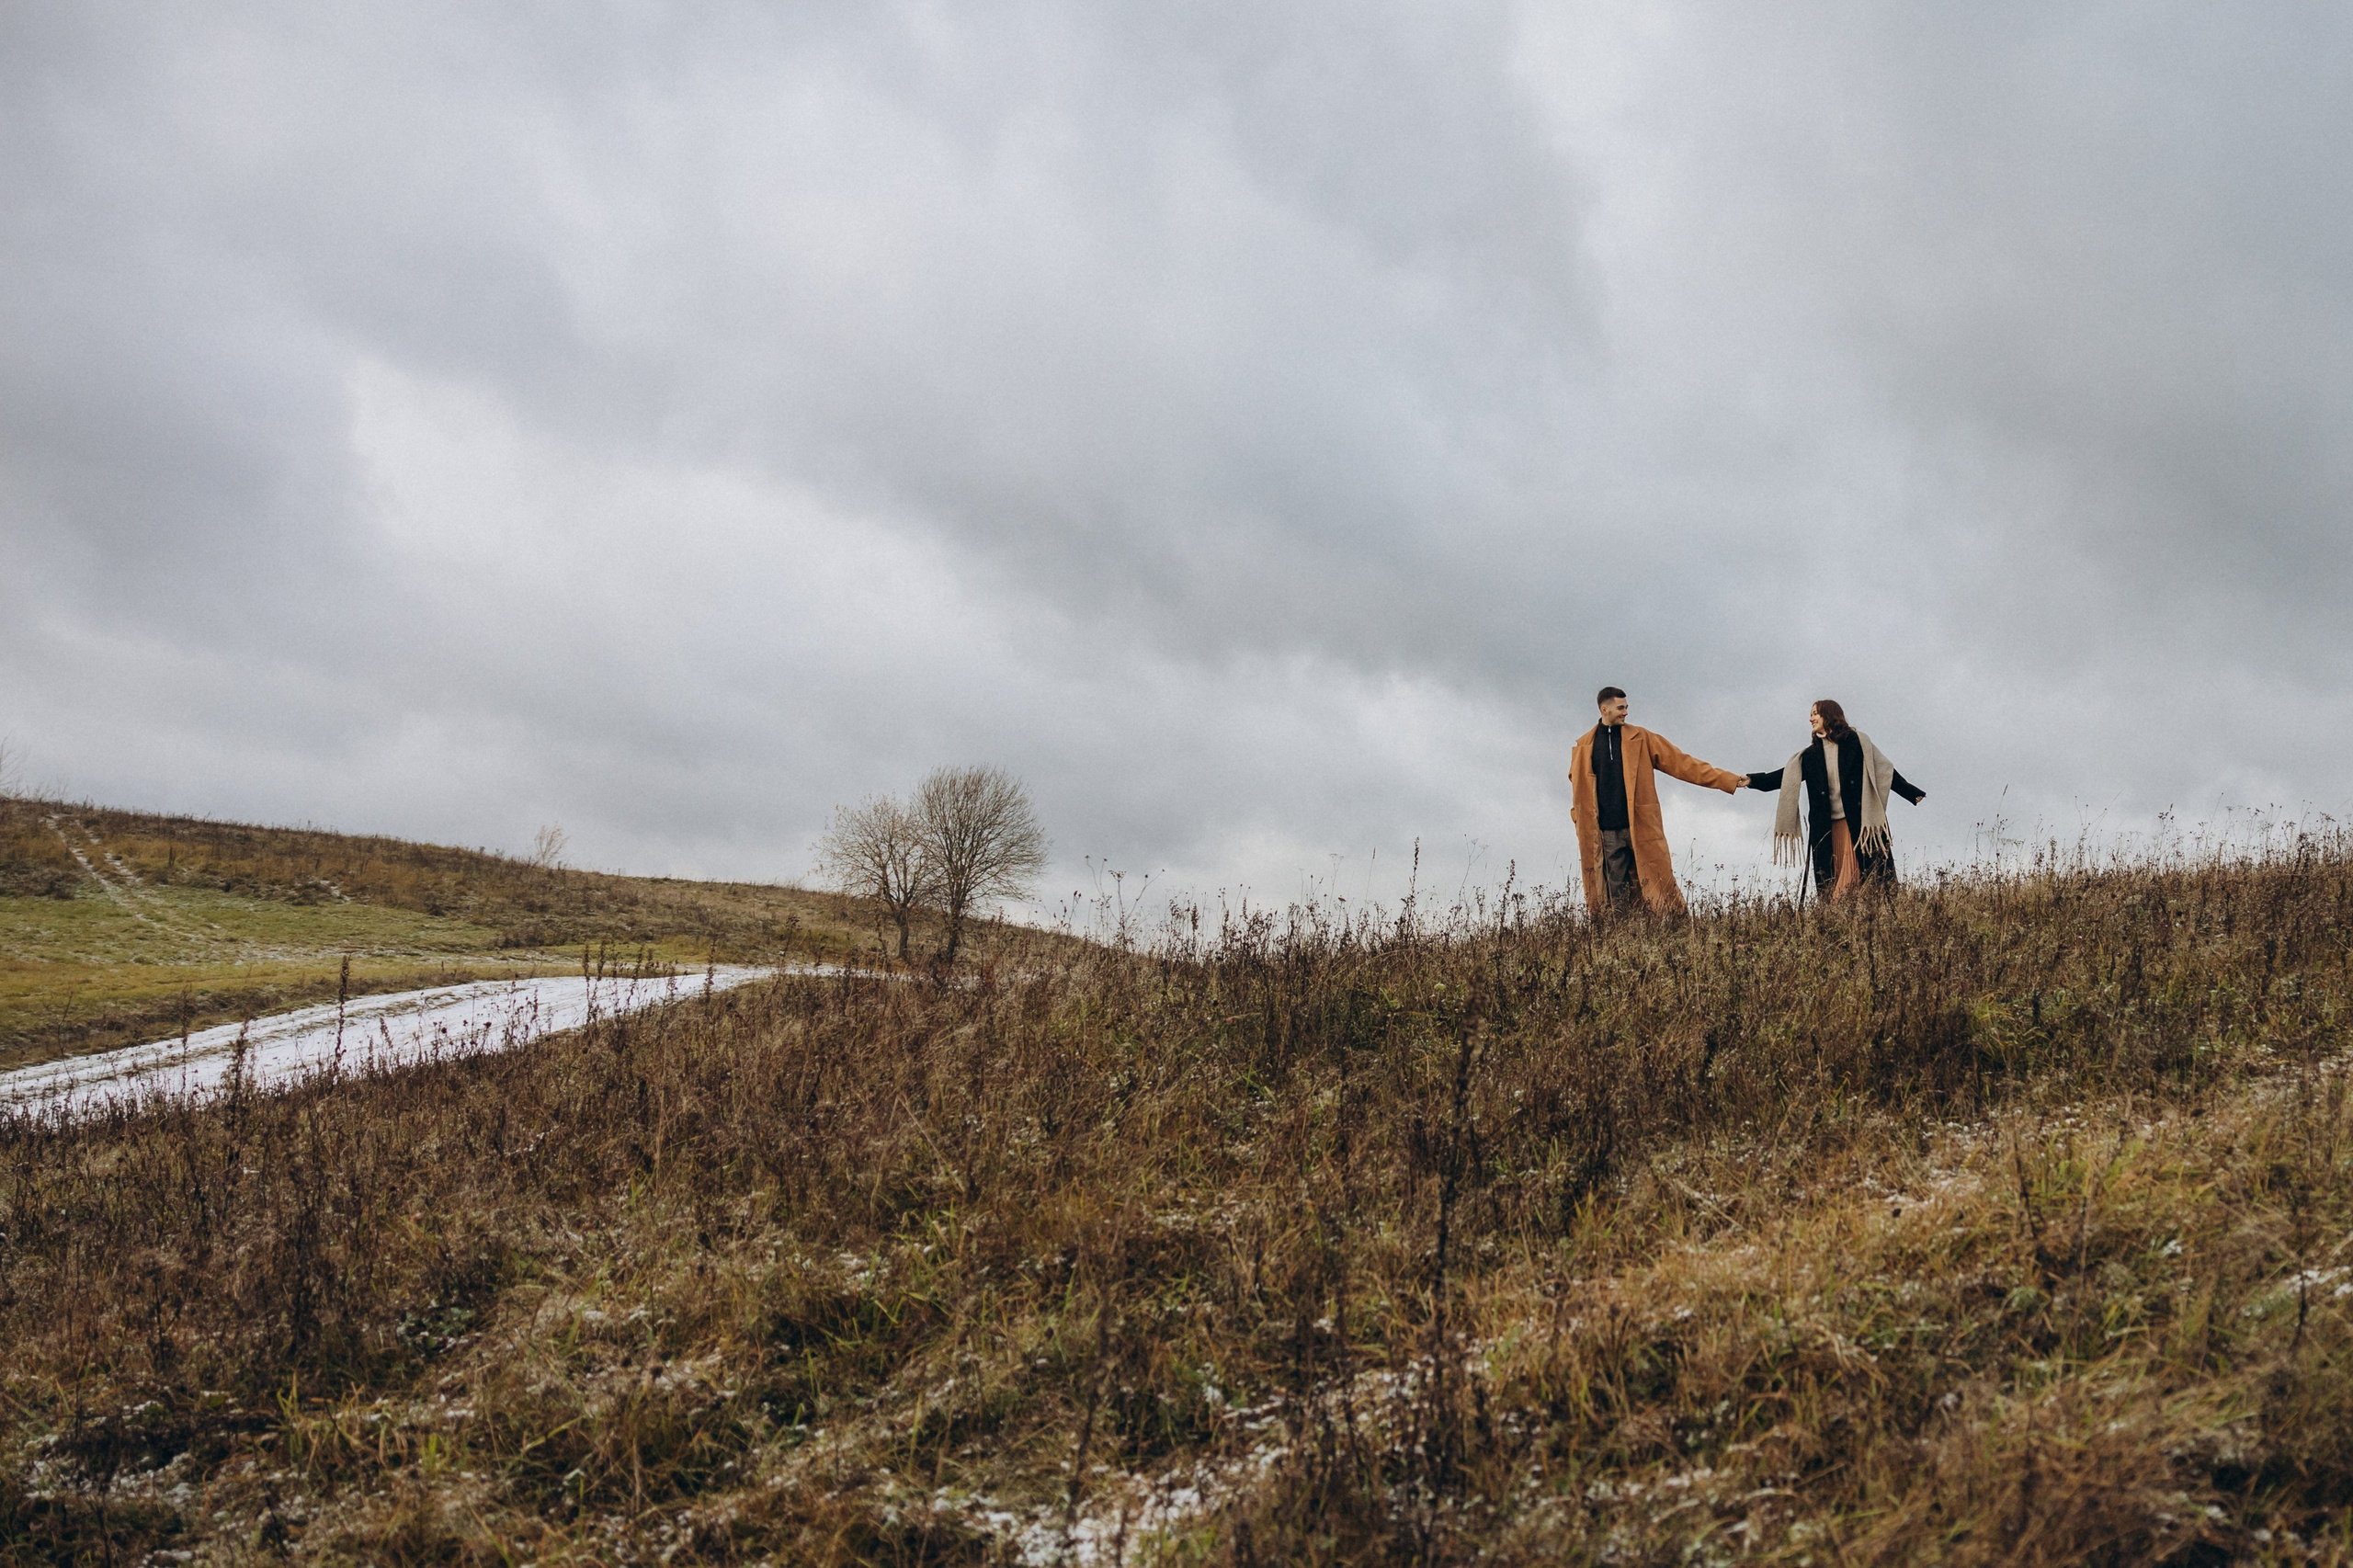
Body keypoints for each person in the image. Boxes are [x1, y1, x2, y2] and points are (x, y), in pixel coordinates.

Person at [1568, 686, 1747, 915]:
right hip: (1606, 832)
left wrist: (1727, 779)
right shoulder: (1584, 746)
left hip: (1641, 827)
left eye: (1626, 707)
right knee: (1615, 896)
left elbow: (1682, 763)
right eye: (1621, 708)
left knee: (1658, 886)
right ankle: (1619, 942)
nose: (1626, 712)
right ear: (1605, 709)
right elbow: (1577, 786)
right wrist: (1578, 819)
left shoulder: (1642, 737)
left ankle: (1671, 934)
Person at [1741, 699, 1926, 903]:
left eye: (1815, 713)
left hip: (1859, 826)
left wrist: (1910, 792)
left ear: (1829, 714)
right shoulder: (1811, 755)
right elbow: (1783, 777)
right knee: (1833, 883)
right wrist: (1752, 780)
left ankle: (1857, 923)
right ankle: (1845, 926)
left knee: (1855, 885)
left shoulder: (1857, 742)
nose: (1810, 718)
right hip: (1827, 830)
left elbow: (1884, 770)